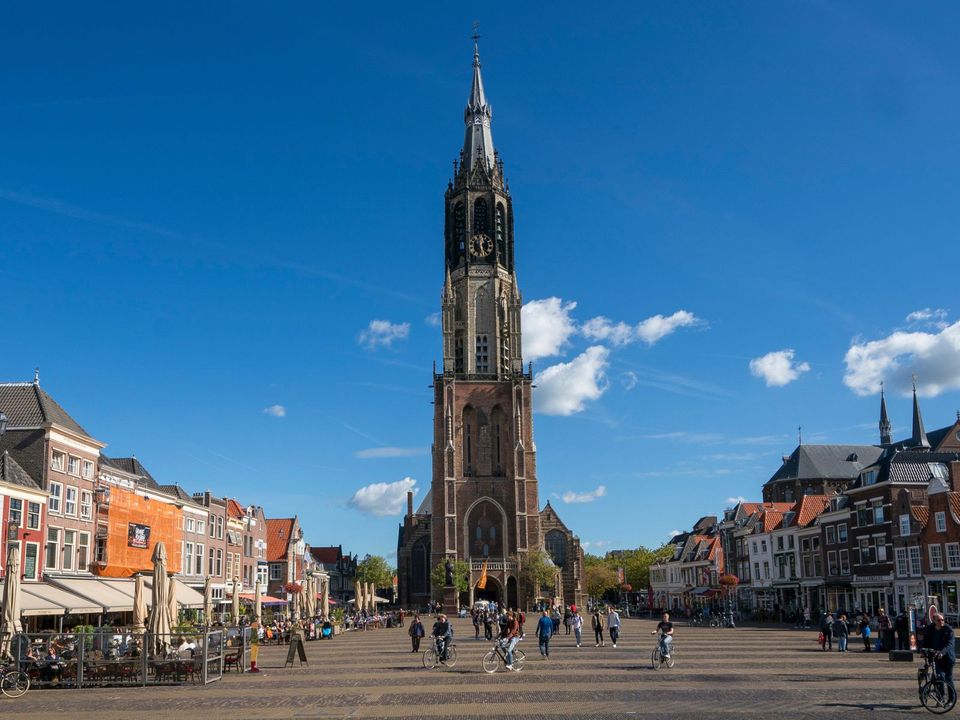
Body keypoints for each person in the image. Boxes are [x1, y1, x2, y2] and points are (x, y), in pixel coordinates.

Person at [923, 613, 956, 685]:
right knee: (939, 676)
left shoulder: (949, 630)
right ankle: (940, 695)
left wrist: (942, 652)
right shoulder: (930, 630)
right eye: (938, 620)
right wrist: (924, 651)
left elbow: (950, 644)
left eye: (942, 620)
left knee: (948, 678)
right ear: (934, 621)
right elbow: (926, 641)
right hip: (936, 657)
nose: (941, 621)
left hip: (948, 657)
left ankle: (952, 696)